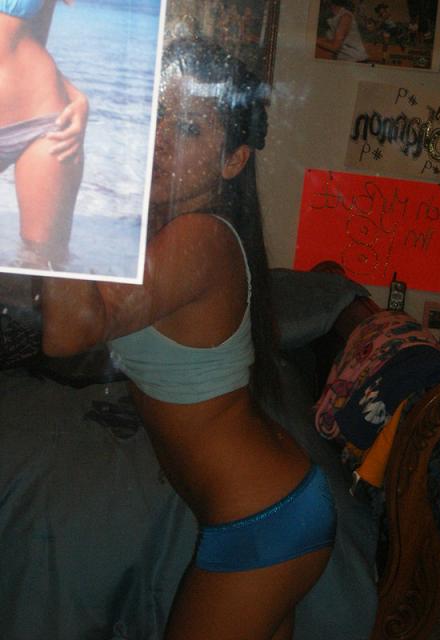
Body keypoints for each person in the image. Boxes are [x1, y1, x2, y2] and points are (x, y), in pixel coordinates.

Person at [41, 37, 336, 640]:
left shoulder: (199, 239)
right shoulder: (171, 229)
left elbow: (68, 333)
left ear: (234, 160)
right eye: (156, 115)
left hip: (263, 520)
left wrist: (57, 184)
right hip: (271, 508)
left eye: (189, 127)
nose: (159, 140)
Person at [0, 0, 88, 268]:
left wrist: (78, 98)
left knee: (43, 260)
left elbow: (33, 37)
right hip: (38, 112)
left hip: (43, 116)